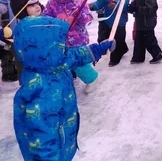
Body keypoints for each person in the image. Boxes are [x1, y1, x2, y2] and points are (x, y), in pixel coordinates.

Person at [13, 15, 114, 161]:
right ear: (46, 49)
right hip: (53, 153)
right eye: (60, 45)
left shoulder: (48, 63)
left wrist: (98, 49)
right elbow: (43, 141)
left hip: (63, 142)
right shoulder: (42, 91)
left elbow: (74, 56)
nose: (65, 48)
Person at [43, 0, 98, 93]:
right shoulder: (51, 4)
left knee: (77, 61)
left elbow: (87, 18)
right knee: (65, 60)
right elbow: (46, 17)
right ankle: (70, 78)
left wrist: (79, 15)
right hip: (61, 39)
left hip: (77, 38)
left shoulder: (77, 1)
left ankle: (92, 78)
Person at [89, 0, 130, 67]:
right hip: (108, 21)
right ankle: (123, 49)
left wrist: (115, 5)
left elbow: (125, 4)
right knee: (109, 39)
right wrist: (92, 6)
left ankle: (115, 58)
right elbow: (99, 3)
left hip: (120, 23)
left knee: (118, 40)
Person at [130, 0, 162, 64]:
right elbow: (135, 3)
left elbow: (149, 9)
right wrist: (131, 8)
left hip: (148, 21)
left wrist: (136, 8)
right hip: (140, 21)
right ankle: (138, 57)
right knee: (138, 40)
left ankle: (157, 55)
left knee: (149, 39)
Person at [10, 0, 43, 83]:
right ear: (21, 9)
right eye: (31, 5)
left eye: (37, 3)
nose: (37, 6)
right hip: (32, 71)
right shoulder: (23, 28)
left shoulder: (42, 20)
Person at [0, 0, 17, 82]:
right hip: (2, 37)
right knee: (6, 54)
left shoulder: (8, 4)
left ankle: (13, 70)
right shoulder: (1, 6)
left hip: (9, 35)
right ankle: (8, 74)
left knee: (11, 52)